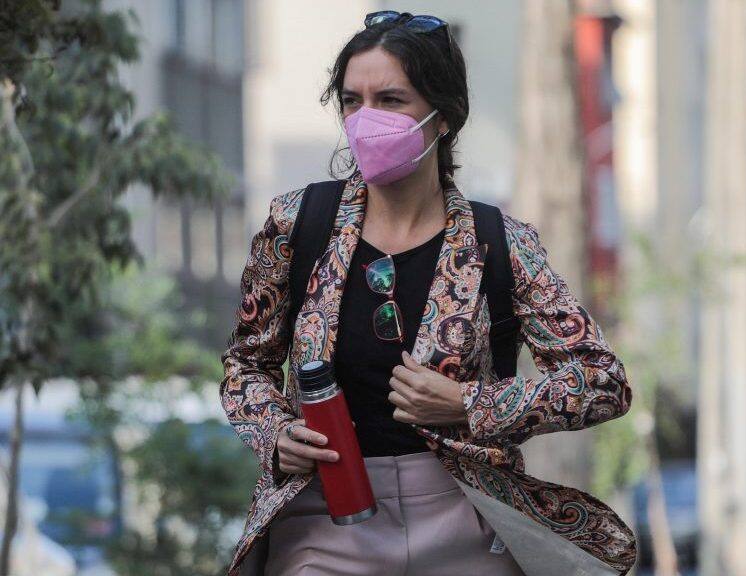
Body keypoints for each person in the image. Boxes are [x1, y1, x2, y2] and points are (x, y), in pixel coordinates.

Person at [220, 10, 636, 576]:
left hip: (465, 519)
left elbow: (602, 380)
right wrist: (276, 434)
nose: (367, 119)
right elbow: (246, 365)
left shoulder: (501, 243)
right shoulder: (299, 223)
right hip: (328, 515)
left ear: (444, 118)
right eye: (351, 101)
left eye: (391, 100)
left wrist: (469, 404)